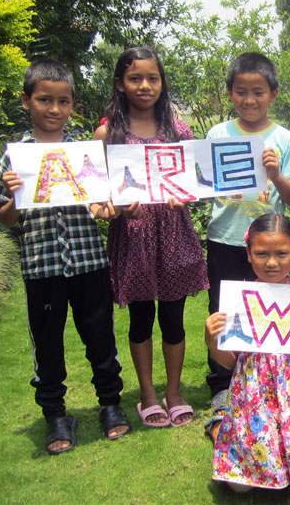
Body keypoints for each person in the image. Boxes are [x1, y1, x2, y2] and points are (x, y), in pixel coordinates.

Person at [0, 59, 131, 455]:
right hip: (42, 266)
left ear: (72, 106)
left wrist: (110, 209)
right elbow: (5, 218)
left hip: (88, 262)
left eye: (63, 101)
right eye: (44, 100)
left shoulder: (82, 152)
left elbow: (100, 207)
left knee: (100, 336)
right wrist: (15, 196)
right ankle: (55, 413)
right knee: (48, 343)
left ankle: (110, 405)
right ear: (26, 101)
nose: (54, 109)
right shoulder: (15, 156)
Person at [93, 47, 208, 428]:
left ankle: (173, 393)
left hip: (174, 233)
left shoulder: (179, 130)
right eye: (135, 78)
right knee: (141, 318)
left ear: (162, 82)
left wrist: (183, 198)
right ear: (120, 84)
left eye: (153, 78)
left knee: (173, 318)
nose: (145, 86)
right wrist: (119, 206)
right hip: (134, 236)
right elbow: (100, 190)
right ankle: (146, 395)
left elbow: (192, 183)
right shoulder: (109, 133)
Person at [203, 52, 290, 441]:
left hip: (268, 246)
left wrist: (275, 174)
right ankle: (224, 384)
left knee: (268, 312)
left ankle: (268, 376)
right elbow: (200, 182)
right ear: (230, 93)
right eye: (241, 92)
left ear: (273, 94)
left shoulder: (285, 139)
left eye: (258, 92)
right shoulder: (216, 135)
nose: (249, 100)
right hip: (225, 239)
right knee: (225, 314)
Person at [205, 214, 290, 492]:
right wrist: (212, 338)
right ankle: (222, 428)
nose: (272, 262)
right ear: (248, 254)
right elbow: (226, 363)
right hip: (254, 396)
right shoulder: (238, 301)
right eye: (262, 254)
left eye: (281, 253)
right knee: (240, 488)